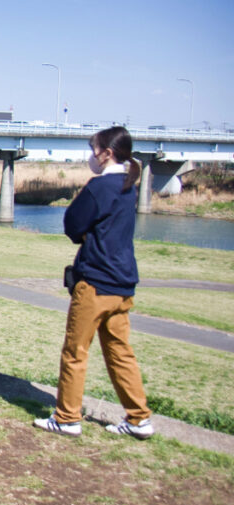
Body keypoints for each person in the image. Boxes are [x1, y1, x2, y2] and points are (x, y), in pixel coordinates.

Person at [34, 126, 154, 439]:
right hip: (122, 284)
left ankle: (66, 417)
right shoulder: (129, 186)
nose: (91, 154)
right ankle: (139, 418)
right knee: (120, 352)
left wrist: (86, 235)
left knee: (75, 351)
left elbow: (72, 224)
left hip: (95, 283)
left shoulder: (99, 187)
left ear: (107, 153)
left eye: (93, 147)